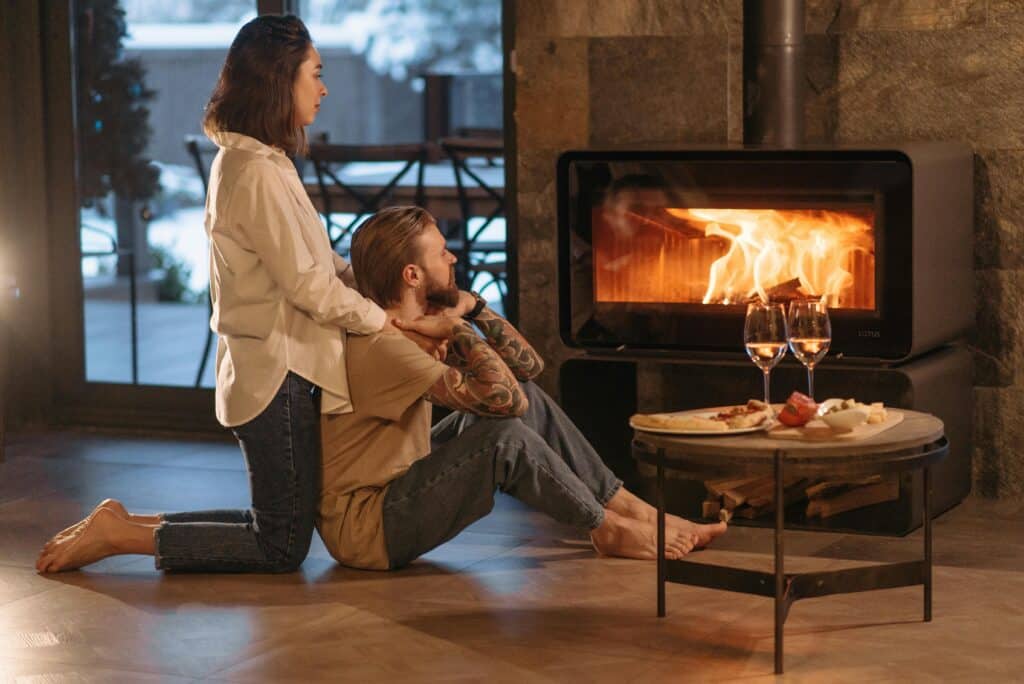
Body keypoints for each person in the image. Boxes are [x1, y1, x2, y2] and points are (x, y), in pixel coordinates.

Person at [36, 15, 393, 573]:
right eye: (315, 74)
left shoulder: (264, 162)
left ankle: (122, 526)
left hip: (281, 366)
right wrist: (384, 323)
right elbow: (308, 286)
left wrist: (379, 297)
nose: (324, 88)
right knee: (280, 545)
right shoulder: (252, 170)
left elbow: (321, 266)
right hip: (278, 372)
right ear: (280, 79)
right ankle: (121, 536)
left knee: (276, 526)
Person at [317, 206, 727, 570]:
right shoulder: (389, 347)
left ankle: (634, 511)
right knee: (504, 437)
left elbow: (528, 370)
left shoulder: (414, 325)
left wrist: (474, 307)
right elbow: (506, 402)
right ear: (412, 275)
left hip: (398, 488)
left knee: (531, 405)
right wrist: (460, 329)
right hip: (370, 529)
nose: (453, 257)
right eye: (442, 253)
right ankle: (606, 527)